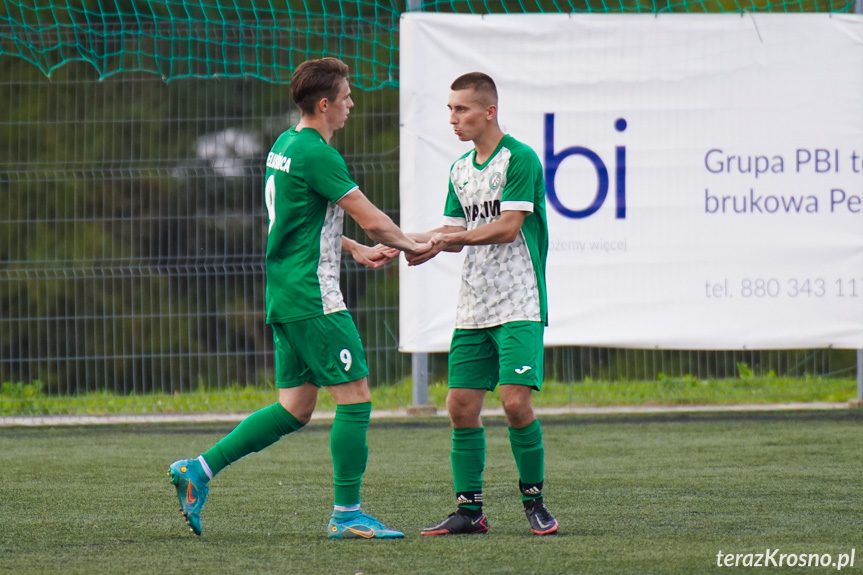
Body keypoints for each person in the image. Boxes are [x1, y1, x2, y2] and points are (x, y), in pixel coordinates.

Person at [169, 57, 434, 539]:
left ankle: (198, 471)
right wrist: (415, 246)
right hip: (314, 296)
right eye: (347, 96)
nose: (352, 103)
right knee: (355, 400)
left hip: (286, 292)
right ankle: (347, 515)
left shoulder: (284, 145)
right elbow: (372, 218)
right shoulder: (318, 153)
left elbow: (299, 218)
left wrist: (350, 249)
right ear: (326, 103)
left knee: (295, 408)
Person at [407, 72, 558, 536]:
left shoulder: (520, 158)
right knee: (459, 405)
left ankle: (534, 500)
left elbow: (508, 226)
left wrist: (443, 239)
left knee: (515, 405)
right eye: (450, 110)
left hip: (519, 302)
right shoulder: (458, 169)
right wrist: (397, 243)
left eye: (461, 110)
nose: (453, 119)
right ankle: (470, 512)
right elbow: (451, 234)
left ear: (489, 111)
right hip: (473, 306)